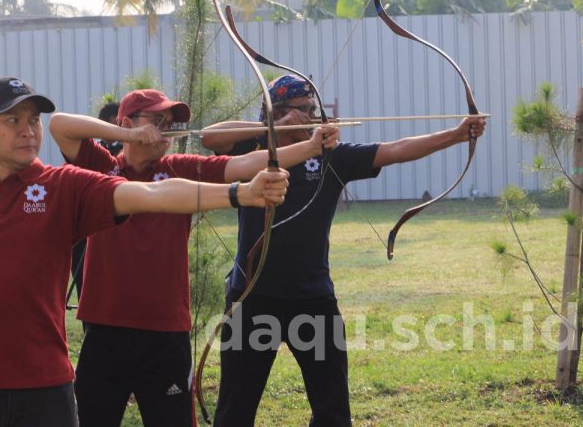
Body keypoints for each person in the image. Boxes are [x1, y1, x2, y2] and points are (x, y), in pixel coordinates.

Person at [0, 77, 289, 427]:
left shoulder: (65, 186)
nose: (29, 131)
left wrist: (240, 193)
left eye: (33, 120)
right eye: (12, 121)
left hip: (43, 388)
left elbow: (156, 192)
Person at [200, 74, 487, 427]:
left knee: (333, 412)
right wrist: (273, 125)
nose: (311, 116)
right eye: (301, 110)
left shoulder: (331, 156)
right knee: (234, 413)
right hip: (252, 298)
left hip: (312, 299)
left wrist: (457, 134)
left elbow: (395, 149)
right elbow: (208, 136)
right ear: (275, 111)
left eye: (312, 109)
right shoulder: (252, 152)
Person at [48, 88, 339, 427]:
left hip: (165, 334)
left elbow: (243, 164)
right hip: (104, 330)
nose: (168, 131)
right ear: (127, 122)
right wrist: (126, 134)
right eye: (158, 121)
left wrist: (311, 146)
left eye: (171, 124)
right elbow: (59, 125)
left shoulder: (178, 168)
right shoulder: (99, 167)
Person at [70, 100, 122, 303]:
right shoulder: (92, 152)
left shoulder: (125, 150)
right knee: (89, 291)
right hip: (88, 230)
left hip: (116, 230)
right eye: (119, 122)